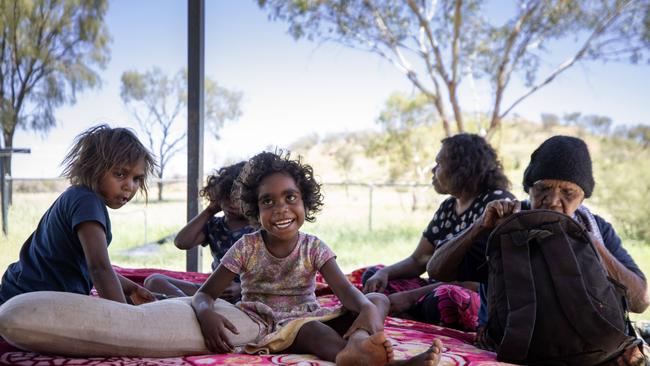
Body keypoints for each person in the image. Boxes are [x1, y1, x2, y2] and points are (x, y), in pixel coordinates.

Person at [192, 151, 443, 366]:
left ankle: (359, 344)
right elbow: (204, 295)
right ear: (255, 210)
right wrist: (205, 314)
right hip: (274, 325)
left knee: (376, 299)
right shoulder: (246, 247)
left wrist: (365, 308)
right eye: (268, 201)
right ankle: (370, 359)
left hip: (313, 314)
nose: (281, 208)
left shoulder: (313, 246)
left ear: (306, 203)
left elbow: (346, 292)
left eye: (290, 197)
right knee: (312, 330)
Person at [427, 135, 649, 360]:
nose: (552, 200)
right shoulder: (506, 223)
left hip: (588, 350)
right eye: (543, 189)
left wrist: (596, 247)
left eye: (567, 193)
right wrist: (478, 227)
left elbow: (640, 302)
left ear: (583, 197)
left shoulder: (596, 229)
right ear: (528, 189)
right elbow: (436, 270)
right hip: (514, 347)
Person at [362, 133, 513, 331]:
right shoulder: (449, 207)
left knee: (445, 299)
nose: (433, 171)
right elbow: (419, 260)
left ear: (461, 168)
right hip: (432, 287)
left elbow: (477, 282)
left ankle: (411, 310)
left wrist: (410, 297)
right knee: (373, 277)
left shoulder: (496, 205)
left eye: (439, 164)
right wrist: (384, 273)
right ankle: (411, 310)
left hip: (467, 293)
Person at [0, 124, 157, 306]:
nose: (130, 186)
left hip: (30, 294)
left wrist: (131, 288)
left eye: (137, 178)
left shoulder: (83, 197)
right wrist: (125, 319)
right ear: (93, 169)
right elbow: (99, 268)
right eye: (120, 174)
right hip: (29, 299)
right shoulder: (86, 201)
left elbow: (88, 265)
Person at [144, 162, 255, 300]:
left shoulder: (258, 229)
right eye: (225, 197)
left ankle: (189, 305)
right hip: (214, 291)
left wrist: (241, 288)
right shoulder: (215, 226)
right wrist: (209, 211)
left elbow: (271, 273)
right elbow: (182, 242)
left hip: (247, 293)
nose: (230, 204)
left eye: (237, 199)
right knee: (154, 281)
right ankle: (190, 305)